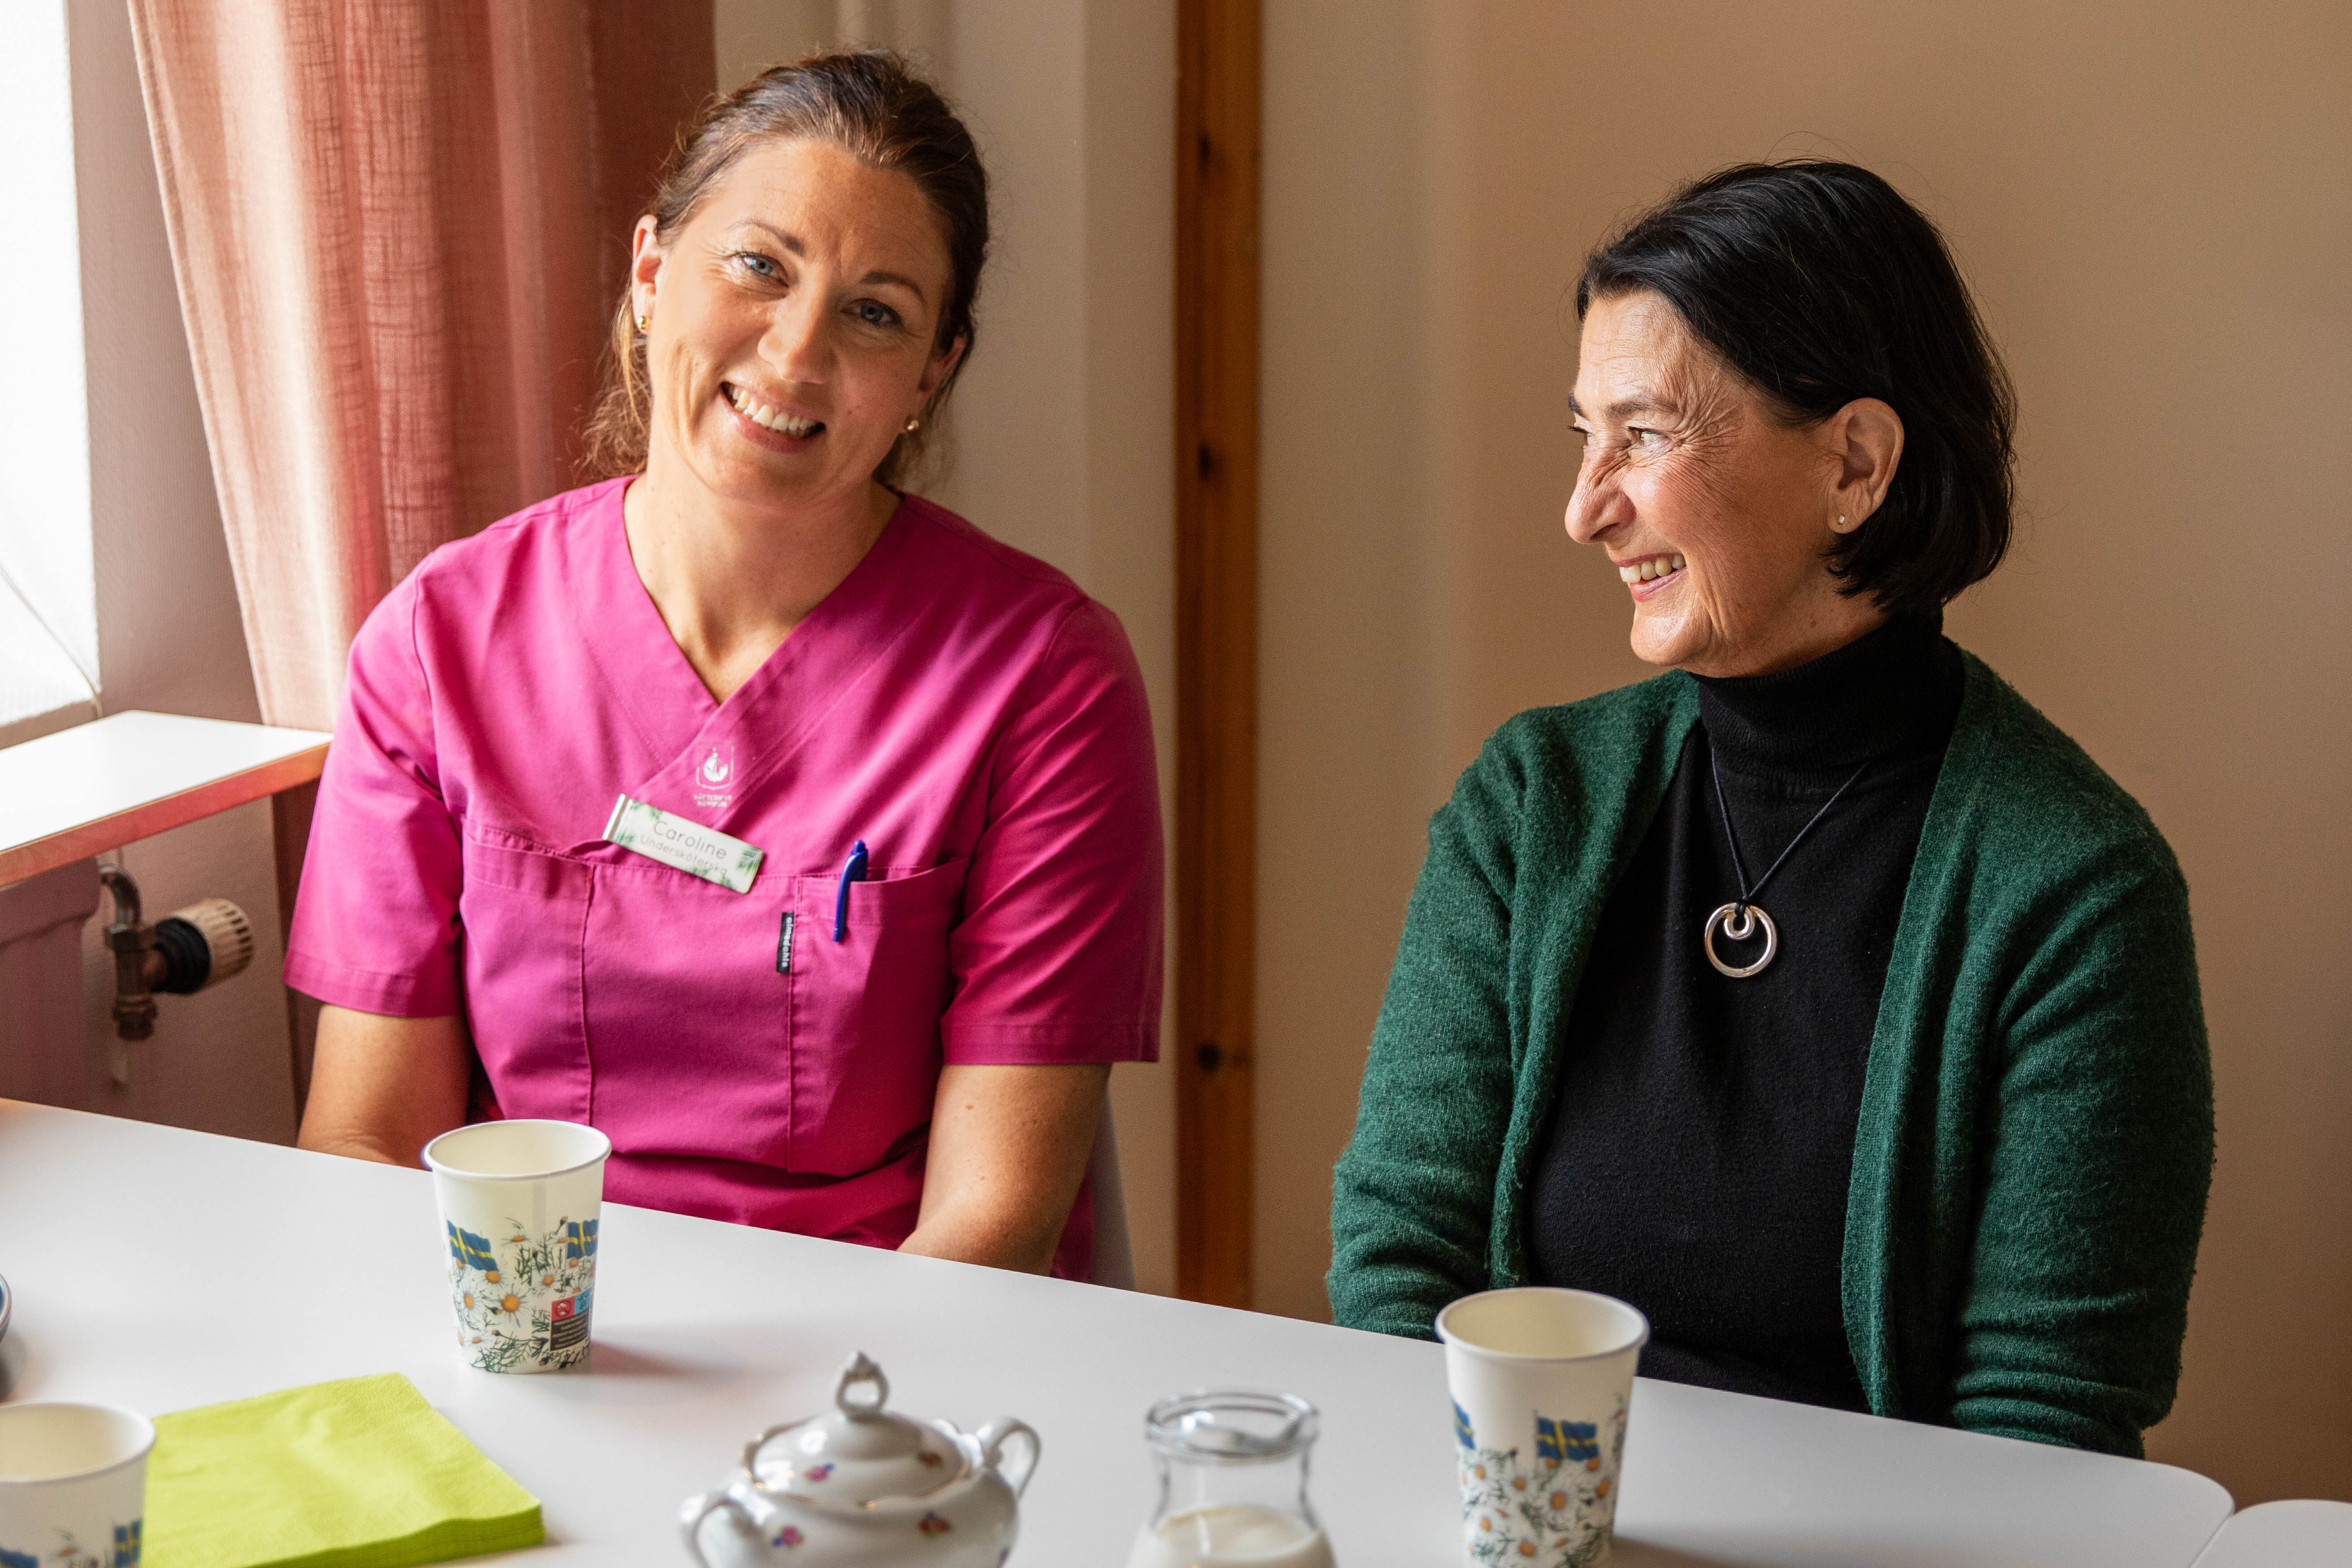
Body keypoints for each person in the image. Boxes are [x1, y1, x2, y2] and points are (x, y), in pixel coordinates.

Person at [1327, 161, 2211, 1455]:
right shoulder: (1531, 806)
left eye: (1643, 433)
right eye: (1584, 434)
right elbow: (1400, 1263)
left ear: (1853, 460)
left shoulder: (2074, 888)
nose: (1584, 510)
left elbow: (2047, 1426)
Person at [289, 52, 1161, 1281]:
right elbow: (370, 1140)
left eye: (875, 312)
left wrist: (823, 1449)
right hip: (525, 1327)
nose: (797, 354)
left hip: (883, 1383)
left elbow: (991, 1229)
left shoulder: (1042, 681)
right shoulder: (439, 644)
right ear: (651, 274)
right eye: (759, 267)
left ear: (931, 374)